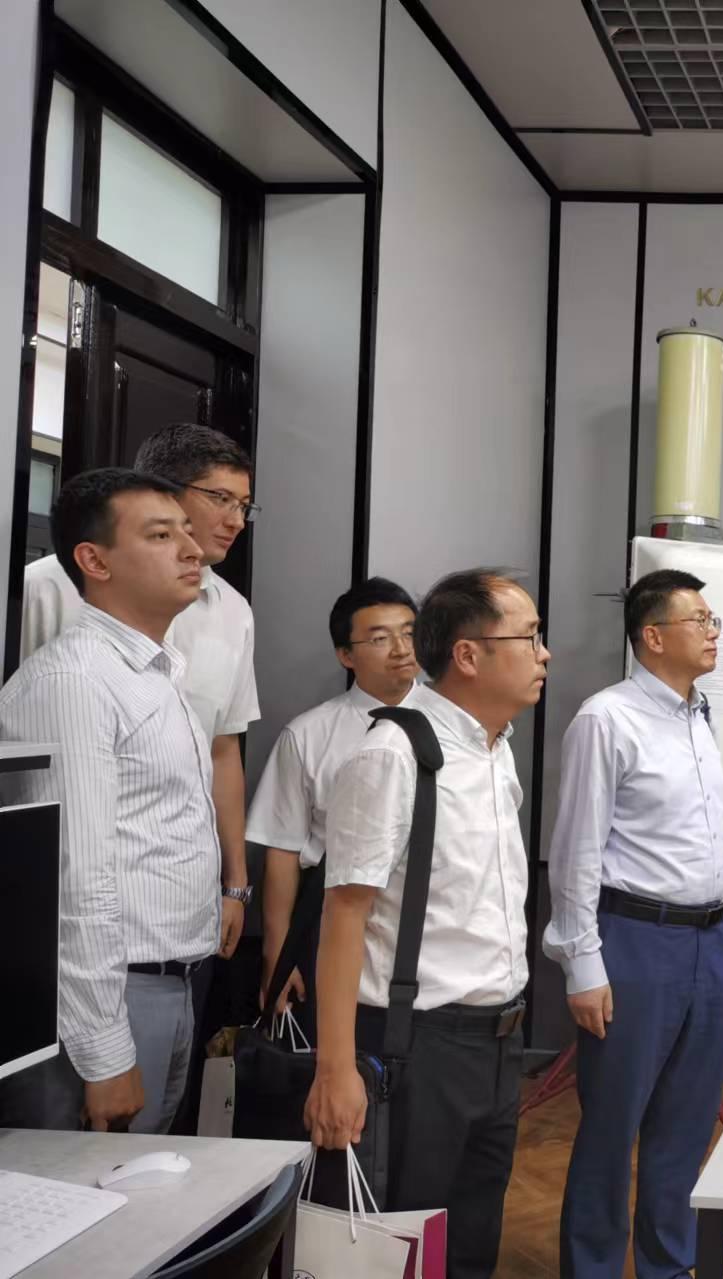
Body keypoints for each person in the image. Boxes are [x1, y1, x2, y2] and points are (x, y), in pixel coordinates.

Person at [304, 569, 544, 1279]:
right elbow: (344, 912)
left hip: (499, 1040)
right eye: (529, 636)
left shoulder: (495, 749)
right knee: (404, 1246)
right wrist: (335, 1069)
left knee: (470, 1244)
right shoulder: (393, 753)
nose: (544, 653)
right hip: (418, 1046)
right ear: (468, 655)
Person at [0, 469, 221, 1133]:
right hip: (106, 995)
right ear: (94, 561)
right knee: (86, 1189)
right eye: (161, 535)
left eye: (187, 531)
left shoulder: (155, 672)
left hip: (170, 983)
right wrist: (104, 1049)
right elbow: (74, 878)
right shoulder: (75, 679)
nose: (193, 549)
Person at [546, 568, 723, 1279]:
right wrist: (582, 963)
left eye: (714, 620)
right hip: (635, 939)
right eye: (701, 620)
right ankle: (593, 1267)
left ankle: (668, 1266)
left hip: (713, 938)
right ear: (652, 636)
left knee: (686, 1120)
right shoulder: (607, 719)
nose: (714, 633)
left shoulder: (699, 714)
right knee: (612, 1124)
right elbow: (576, 849)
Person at [23, 425, 260, 965]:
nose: (236, 520)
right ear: (162, 492)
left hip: (183, 914)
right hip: (71, 913)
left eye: (245, 505)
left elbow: (224, 748)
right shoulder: (49, 588)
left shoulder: (234, 612)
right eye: (220, 498)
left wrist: (235, 883)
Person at [248, 577, 420, 1017]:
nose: (401, 649)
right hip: (332, 920)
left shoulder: (452, 725)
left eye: (409, 633)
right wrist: (277, 954)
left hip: (425, 926)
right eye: (380, 639)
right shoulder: (309, 734)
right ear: (346, 654)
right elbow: (283, 850)